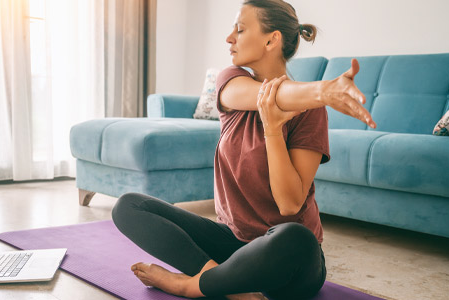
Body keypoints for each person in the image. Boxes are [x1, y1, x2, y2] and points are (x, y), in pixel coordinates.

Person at [111, 0, 376, 299]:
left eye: (240, 29)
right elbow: (269, 96)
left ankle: (192, 285)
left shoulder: (310, 113)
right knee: (128, 206)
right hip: (231, 243)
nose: (229, 38)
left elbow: (289, 205)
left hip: (284, 258)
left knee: (296, 238)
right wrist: (322, 91)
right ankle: (224, 283)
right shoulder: (231, 80)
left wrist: (274, 130)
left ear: (271, 39)